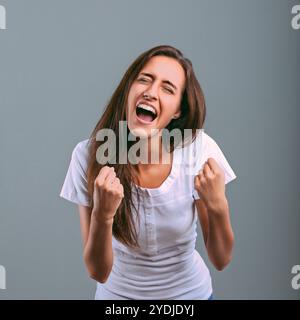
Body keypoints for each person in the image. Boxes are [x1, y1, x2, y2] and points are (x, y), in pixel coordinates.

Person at [59, 45, 237, 300]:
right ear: (128, 88)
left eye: (168, 88)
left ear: (177, 110)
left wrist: (218, 205)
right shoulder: (87, 156)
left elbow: (221, 259)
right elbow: (98, 272)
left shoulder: (199, 150)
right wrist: (103, 215)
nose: (151, 92)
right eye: (144, 79)